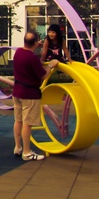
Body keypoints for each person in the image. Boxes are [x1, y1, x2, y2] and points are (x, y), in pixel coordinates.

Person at [12, 32, 59, 161]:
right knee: (27, 123)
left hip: (17, 92)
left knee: (18, 120)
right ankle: (27, 152)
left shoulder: (18, 53)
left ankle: (18, 147)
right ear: (36, 43)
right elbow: (43, 76)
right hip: (29, 94)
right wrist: (50, 65)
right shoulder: (31, 57)